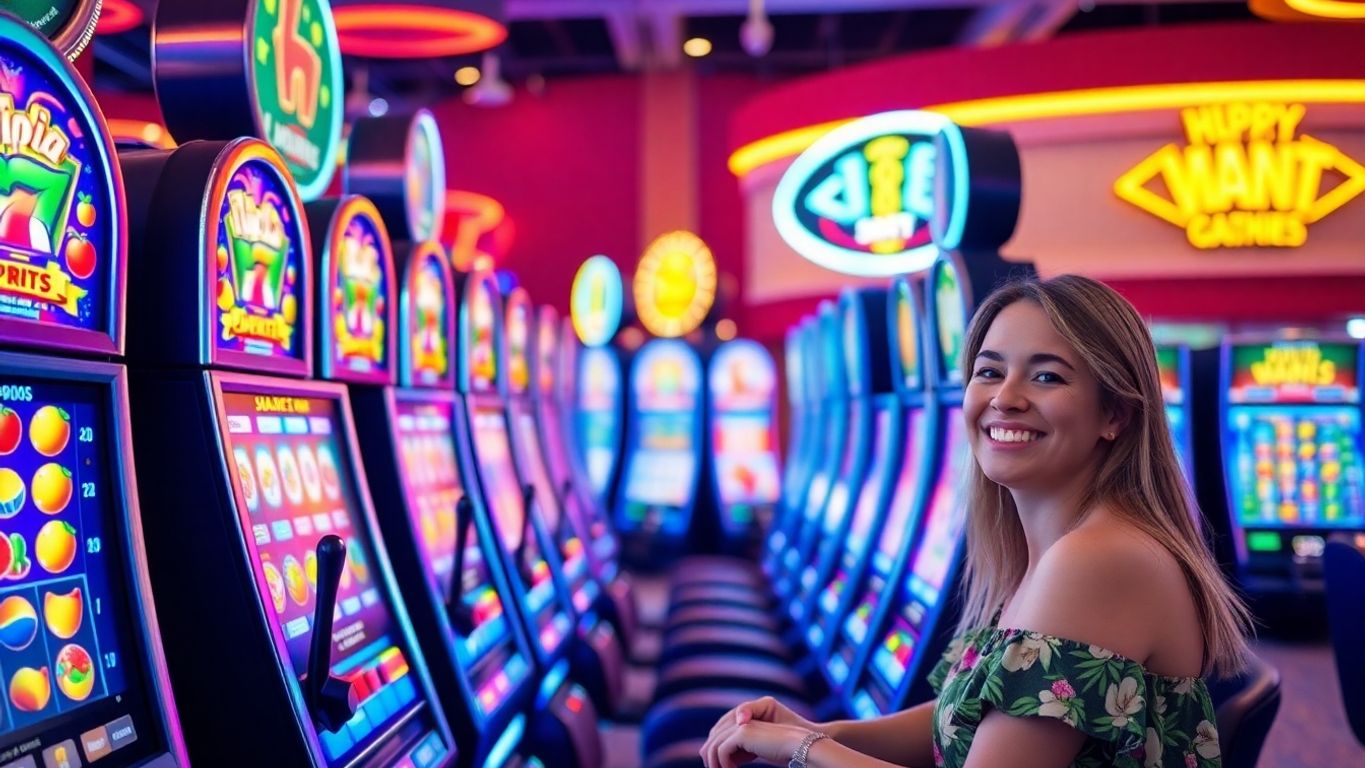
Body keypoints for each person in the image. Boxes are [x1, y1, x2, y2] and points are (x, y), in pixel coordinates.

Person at [700, 275, 1252, 768]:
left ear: (1115, 414)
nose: (1005, 398)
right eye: (989, 371)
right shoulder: (1049, 548)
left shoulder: (1099, 560)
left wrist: (803, 752)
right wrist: (817, 731)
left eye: (1047, 377)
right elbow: (960, 718)